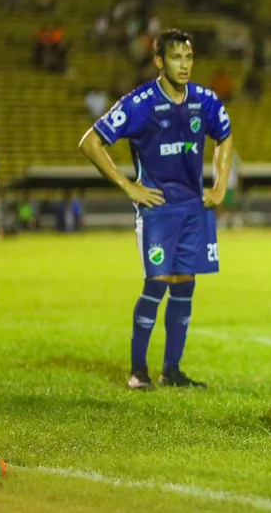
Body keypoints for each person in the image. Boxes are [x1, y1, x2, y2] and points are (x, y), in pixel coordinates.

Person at [78, 29, 235, 390]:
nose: (184, 65)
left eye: (189, 57)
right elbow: (90, 142)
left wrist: (221, 184)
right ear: (159, 62)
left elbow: (225, 135)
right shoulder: (141, 103)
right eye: (177, 58)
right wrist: (127, 185)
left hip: (193, 209)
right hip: (158, 210)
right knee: (156, 285)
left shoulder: (204, 100)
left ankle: (172, 371)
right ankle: (138, 372)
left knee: (185, 286)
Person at [214, 149, 242, 228]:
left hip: (231, 183)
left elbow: (238, 170)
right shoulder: (217, 153)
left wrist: (238, 183)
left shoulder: (233, 155)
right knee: (220, 203)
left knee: (231, 203)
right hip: (222, 183)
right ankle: (219, 220)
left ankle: (232, 220)